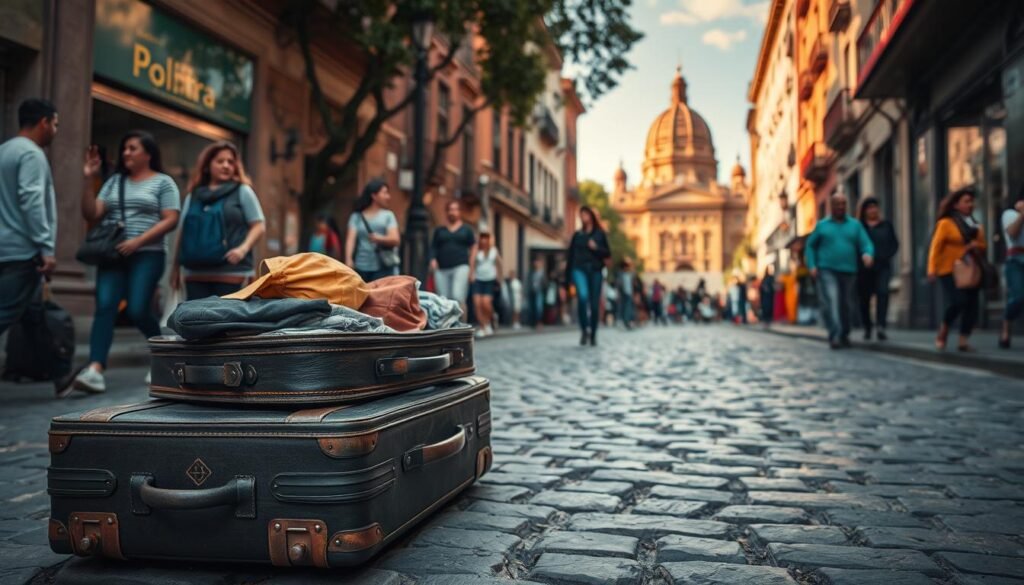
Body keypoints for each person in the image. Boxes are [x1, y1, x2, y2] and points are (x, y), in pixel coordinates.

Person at [73, 131, 181, 393]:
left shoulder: (163, 182)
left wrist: (138, 241)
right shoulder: (114, 182)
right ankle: (95, 369)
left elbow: (171, 218)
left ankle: (162, 355)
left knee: (137, 309)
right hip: (114, 254)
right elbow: (92, 213)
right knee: (106, 306)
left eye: (132, 148)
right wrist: (89, 179)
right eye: (124, 149)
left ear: (148, 153)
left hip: (148, 254)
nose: (126, 153)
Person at [171, 141, 265, 300]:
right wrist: (175, 269)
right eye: (220, 161)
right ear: (207, 166)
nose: (226, 165)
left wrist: (242, 250)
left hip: (232, 271)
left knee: (227, 322)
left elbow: (259, 225)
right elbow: (183, 231)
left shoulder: (242, 191)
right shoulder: (193, 195)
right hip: (195, 272)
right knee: (196, 321)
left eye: (231, 162)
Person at [0, 99, 58, 336]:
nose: (55, 130)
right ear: (43, 122)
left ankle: (40, 369)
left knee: (32, 314)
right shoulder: (32, 153)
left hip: (6, 249)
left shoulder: (4, 150)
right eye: (55, 124)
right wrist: (46, 247)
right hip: (23, 251)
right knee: (6, 312)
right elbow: (31, 200)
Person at [806, 193, 875, 349]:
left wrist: (868, 254)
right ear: (831, 205)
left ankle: (844, 333)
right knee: (832, 300)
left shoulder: (855, 225)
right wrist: (812, 265)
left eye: (843, 203)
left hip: (849, 270)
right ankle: (835, 335)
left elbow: (866, 243)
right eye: (837, 203)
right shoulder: (822, 226)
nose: (841, 206)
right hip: (827, 270)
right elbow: (810, 246)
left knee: (846, 304)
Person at [928, 188, 986, 352]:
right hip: (948, 270)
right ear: (956, 205)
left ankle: (963, 341)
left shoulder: (975, 224)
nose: (970, 204)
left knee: (972, 304)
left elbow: (983, 246)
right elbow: (935, 246)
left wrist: (977, 245)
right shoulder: (946, 223)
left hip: (971, 270)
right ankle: (944, 328)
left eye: (971, 201)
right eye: (966, 201)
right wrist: (932, 268)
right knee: (958, 301)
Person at [566, 206, 611, 346]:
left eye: (585, 214)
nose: (583, 217)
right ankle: (584, 330)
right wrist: (567, 279)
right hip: (579, 269)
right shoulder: (577, 235)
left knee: (594, 303)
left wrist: (596, 247)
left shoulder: (599, 234)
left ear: (591, 216)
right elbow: (570, 257)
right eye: (581, 214)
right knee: (583, 297)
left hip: (595, 270)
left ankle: (593, 333)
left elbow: (607, 253)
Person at [856, 197, 899, 341]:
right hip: (864, 269)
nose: (873, 210)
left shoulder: (886, 225)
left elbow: (894, 244)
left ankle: (881, 326)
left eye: (875, 207)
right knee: (865, 299)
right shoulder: (859, 227)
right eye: (869, 207)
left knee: (883, 293)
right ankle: (867, 327)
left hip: (882, 266)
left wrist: (886, 255)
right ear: (864, 211)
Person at [346, 179, 400, 282]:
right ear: (374, 196)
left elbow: (395, 239)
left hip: (383, 266)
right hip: (360, 266)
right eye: (384, 193)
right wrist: (348, 259)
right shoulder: (356, 216)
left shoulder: (388, 216)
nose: (388, 197)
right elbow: (350, 240)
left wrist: (379, 238)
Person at [430, 200, 476, 314]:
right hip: (442, 269)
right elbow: (433, 247)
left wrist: (471, 268)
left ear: (459, 212)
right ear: (447, 212)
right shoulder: (439, 230)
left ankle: (462, 326)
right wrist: (432, 259)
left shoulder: (467, 230)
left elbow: (474, 247)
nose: (452, 212)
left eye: (455, 209)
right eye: (450, 209)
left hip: (461, 267)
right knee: (443, 300)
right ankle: (449, 328)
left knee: (458, 296)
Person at [1000, 194, 1024, 348]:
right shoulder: (1009, 214)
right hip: (1015, 260)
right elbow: (1013, 234)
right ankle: (1006, 324)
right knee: (1018, 296)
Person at [471, 232, 502, 338]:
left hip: (489, 279)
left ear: (489, 239)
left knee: (486, 303)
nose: (484, 240)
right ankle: (483, 327)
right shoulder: (476, 249)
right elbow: (472, 262)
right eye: (482, 238)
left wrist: (499, 277)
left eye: (486, 238)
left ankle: (491, 319)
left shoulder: (494, 251)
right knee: (477, 304)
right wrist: (471, 274)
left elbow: (499, 264)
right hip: (478, 279)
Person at [617, 259, 635, 329]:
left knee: (628, 308)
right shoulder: (620, 274)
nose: (628, 268)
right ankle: (625, 321)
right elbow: (618, 284)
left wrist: (631, 262)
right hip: (623, 293)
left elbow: (634, 273)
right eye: (627, 266)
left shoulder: (630, 274)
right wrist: (618, 293)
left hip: (629, 293)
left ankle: (627, 322)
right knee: (623, 308)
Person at [529, 258, 546, 329]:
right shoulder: (531, 272)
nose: (536, 264)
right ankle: (533, 322)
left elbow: (545, 283)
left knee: (539, 307)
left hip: (539, 291)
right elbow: (529, 282)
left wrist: (543, 289)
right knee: (532, 307)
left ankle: (539, 322)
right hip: (532, 291)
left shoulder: (542, 273)